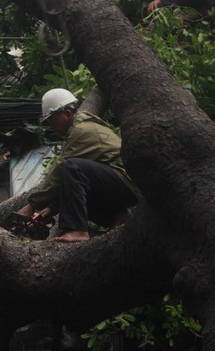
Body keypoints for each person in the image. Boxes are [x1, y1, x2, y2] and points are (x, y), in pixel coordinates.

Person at [16, 88, 140, 243]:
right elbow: (71, 186)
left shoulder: (81, 131)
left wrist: (32, 204)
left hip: (127, 183)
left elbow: (60, 169)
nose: (51, 126)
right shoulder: (79, 128)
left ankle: (77, 231)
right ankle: (118, 215)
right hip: (120, 186)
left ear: (67, 113)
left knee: (71, 168)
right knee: (69, 180)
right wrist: (51, 209)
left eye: (52, 120)